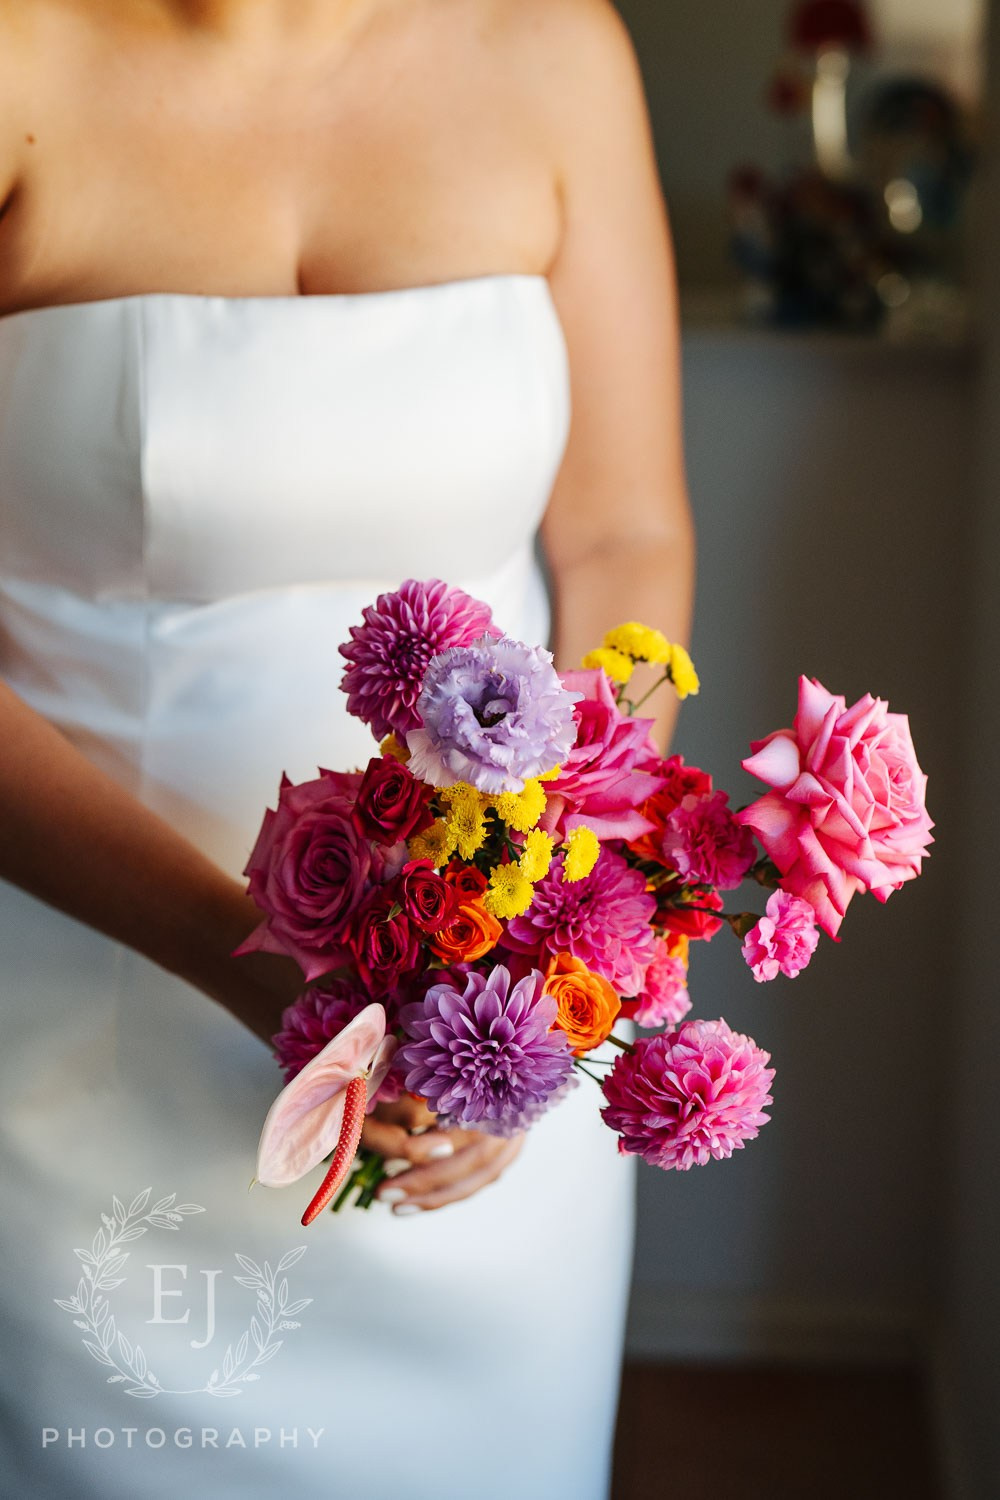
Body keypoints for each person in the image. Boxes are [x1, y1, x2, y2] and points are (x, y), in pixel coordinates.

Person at [0, 1, 694, 1495]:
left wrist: (556, 939)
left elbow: (627, 542)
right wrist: (264, 970)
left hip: (475, 1074)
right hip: (67, 1038)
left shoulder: (557, 52)